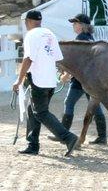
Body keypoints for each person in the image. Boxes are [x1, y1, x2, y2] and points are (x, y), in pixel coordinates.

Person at [12, 10, 79, 156]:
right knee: (33, 110)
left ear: (28, 21)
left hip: (39, 80)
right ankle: (32, 144)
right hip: (50, 80)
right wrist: (63, 73)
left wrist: (19, 79)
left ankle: (68, 138)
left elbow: (28, 59)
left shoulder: (31, 35)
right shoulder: (49, 33)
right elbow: (57, 58)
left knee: (41, 112)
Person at [49, 14, 107, 144]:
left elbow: (76, 63)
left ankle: (63, 134)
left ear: (81, 25)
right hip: (92, 79)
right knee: (95, 106)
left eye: (75, 23)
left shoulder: (80, 39)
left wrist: (66, 75)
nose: (73, 26)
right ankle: (102, 136)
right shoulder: (90, 38)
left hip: (80, 80)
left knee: (68, 103)